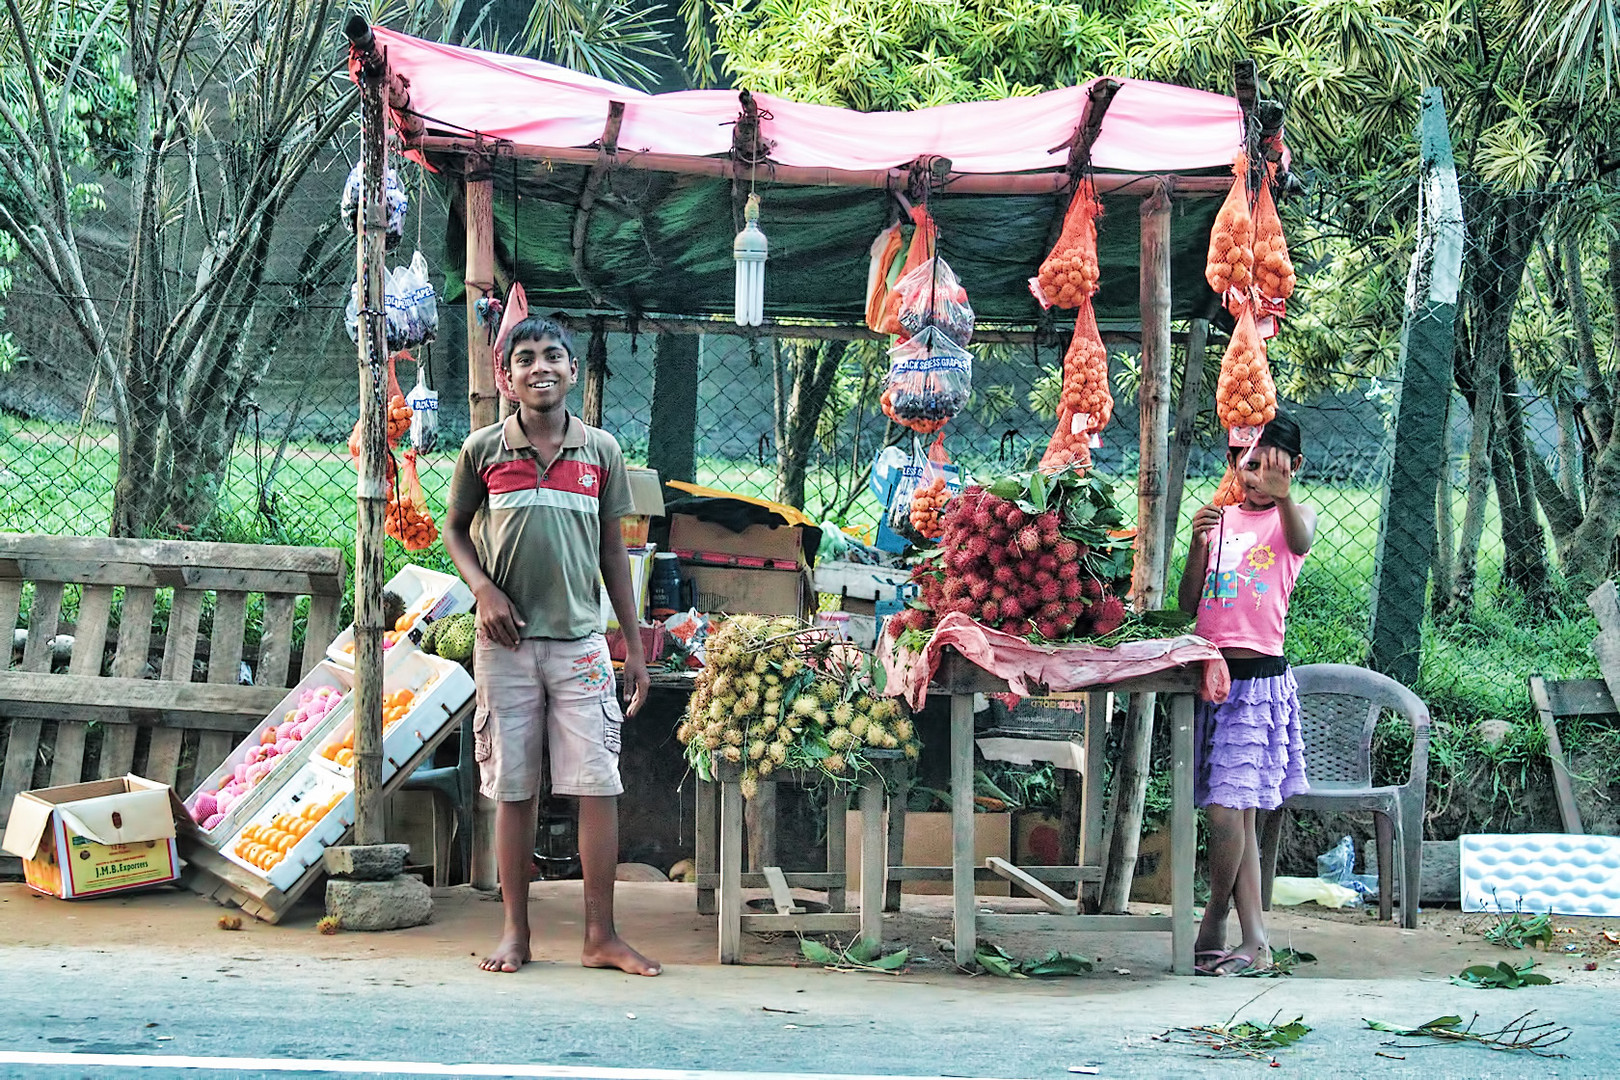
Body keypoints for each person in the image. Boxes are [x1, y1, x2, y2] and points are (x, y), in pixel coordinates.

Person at [444, 316, 660, 977]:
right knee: (513, 791)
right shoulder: (483, 451)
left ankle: (601, 935)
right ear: (505, 378)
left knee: (597, 786)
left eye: (553, 356)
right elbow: (455, 529)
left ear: (572, 372)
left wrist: (634, 646)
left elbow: (611, 552)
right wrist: (483, 590)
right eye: (526, 357)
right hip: (505, 647)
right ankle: (516, 932)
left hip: (581, 646)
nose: (541, 366)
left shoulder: (601, 452)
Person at [1176, 411, 1315, 976]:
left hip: (1257, 685)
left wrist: (1283, 498)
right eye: (1244, 464)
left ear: (1293, 469)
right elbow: (1188, 604)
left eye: (1264, 467)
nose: (1252, 476)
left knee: (1228, 811)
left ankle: (1212, 918)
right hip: (1212, 682)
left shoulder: (1291, 520)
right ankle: (1256, 940)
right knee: (1240, 817)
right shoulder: (1221, 518)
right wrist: (1196, 544)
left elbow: (1301, 534)